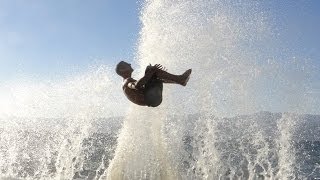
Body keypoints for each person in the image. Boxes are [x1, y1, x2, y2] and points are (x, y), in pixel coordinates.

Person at [115, 61, 192, 107]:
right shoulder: (127, 81)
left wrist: (157, 74)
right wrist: (152, 72)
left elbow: (143, 83)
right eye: (126, 64)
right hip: (150, 98)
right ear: (122, 70)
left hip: (152, 100)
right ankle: (180, 79)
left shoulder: (127, 81)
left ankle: (179, 81)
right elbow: (137, 85)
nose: (129, 64)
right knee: (149, 69)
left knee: (153, 75)